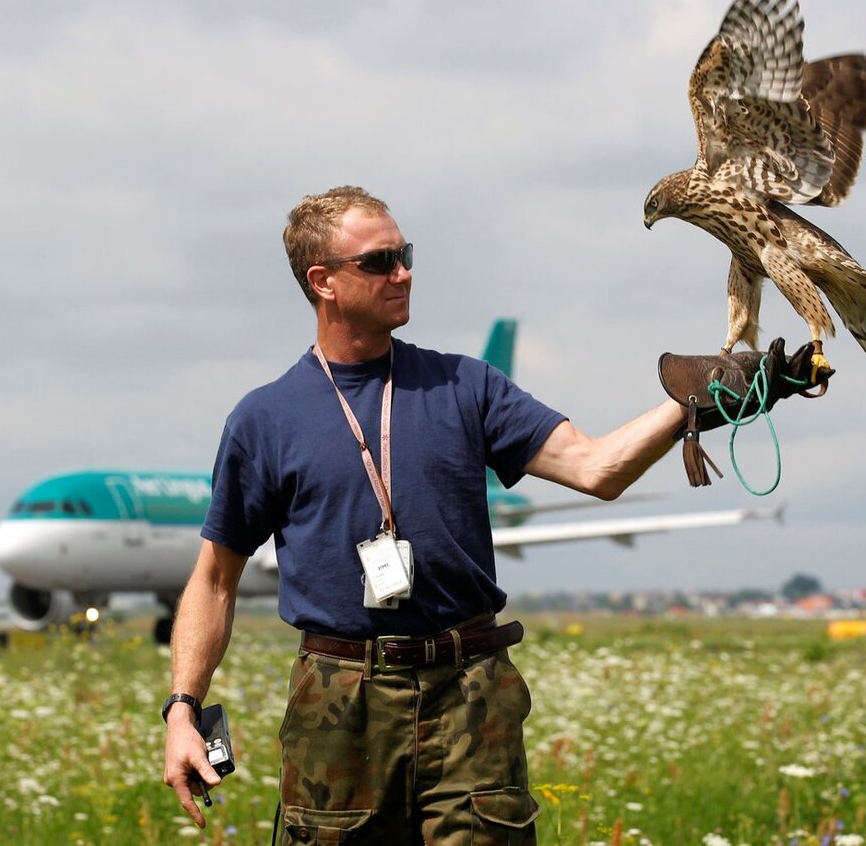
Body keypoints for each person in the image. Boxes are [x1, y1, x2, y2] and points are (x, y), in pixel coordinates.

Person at [162, 185, 823, 843]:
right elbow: (215, 578)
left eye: (406, 254)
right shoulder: (265, 418)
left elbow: (596, 467)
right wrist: (183, 711)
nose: (404, 272)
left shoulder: (465, 385)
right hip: (340, 700)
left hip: (469, 691)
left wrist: (699, 400)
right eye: (380, 261)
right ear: (322, 281)